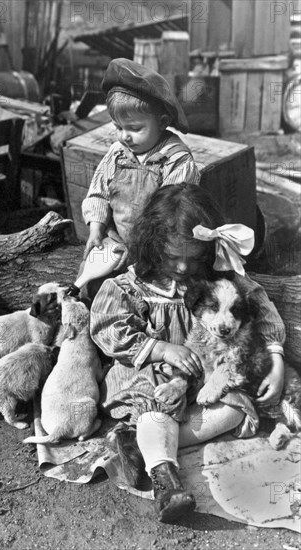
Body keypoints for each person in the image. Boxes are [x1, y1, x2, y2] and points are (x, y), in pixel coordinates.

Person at [90, 184, 286, 522]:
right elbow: (106, 327)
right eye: (172, 256)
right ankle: (166, 481)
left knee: (235, 410)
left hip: (203, 381)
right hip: (152, 378)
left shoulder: (219, 281)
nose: (182, 267)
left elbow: (262, 308)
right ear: (153, 245)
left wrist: (277, 360)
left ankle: (141, 446)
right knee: (158, 407)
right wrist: (161, 349)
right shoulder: (133, 285)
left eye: (193, 258)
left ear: (208, 252)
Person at [81, 58, 201, 278]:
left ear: (163, 122)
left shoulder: (176, 161)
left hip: (159, 249)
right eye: (118, 127)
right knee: (92, 280)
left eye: (135, 128)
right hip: (118, 240)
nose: (125, 136)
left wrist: (148, 254)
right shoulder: (117, 153)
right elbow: (98, 192)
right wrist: (96, 229)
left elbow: (173, 216)